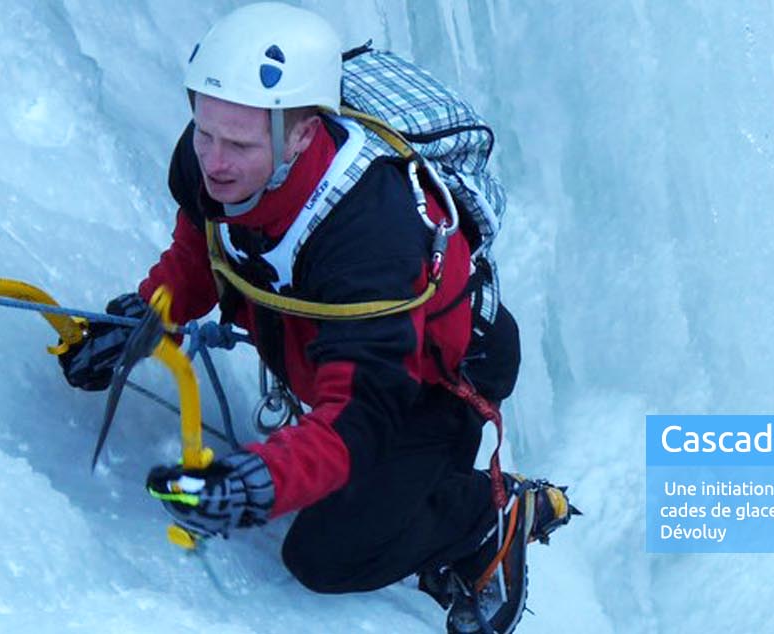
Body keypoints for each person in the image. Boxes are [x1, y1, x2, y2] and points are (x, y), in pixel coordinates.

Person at [55, 4, 574, 633]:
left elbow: (360, 417)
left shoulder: (371, 235)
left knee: (326, 556)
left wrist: (260, 485)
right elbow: (202, 256)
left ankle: (488, 515)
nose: (214, 161)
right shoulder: (216, 161)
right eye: (204, 133)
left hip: (427, 391)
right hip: (328, 359)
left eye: (238, 144)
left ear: (302, 133)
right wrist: (145, 319)